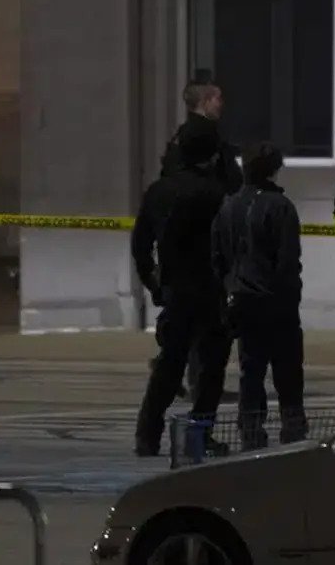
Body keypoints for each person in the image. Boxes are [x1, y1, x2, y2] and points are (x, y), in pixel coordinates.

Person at [131, 123, 231, 457]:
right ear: (212, 155)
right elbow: (226, 248)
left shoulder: (158, 191)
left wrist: (155, 284)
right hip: (209, 291)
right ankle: (199, 433)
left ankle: (148, 433)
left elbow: (141, 245)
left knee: (168, 365)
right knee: (210, 368)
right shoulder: (214, 194)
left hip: (175, 291)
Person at [150, 71, 242, 401]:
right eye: (217, 97)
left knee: (184, 313)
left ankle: (176, 370)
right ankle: (195, 379)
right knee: (204, 316)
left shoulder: (180, 140)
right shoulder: (206, 142)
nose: (222, 103)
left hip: (180, 241)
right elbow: (229, 183)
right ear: (204, 101)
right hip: (202, 240)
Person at [212, 142, 308, 450]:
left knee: (250, 372)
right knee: (288, 371)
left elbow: (218, 258)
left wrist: (229, 289)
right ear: (274, 169)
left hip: (242, 301)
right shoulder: (281, 208)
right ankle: (293, 431)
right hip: (276, 303)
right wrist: (290, 296)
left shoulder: (227, 207)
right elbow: (288, 262)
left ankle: (251, 431)